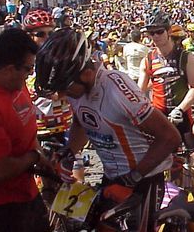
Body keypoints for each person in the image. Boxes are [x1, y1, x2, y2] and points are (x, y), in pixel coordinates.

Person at [35, 28, 181, 231]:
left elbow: (170, 138)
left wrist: (132, 178)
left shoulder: (116, 89)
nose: (59, 95)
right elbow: (81, 122)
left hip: (144, 178)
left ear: (86, 74)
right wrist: (68, 152)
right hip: (113, 176)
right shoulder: (77, 90)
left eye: (64, 88)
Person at [0, 28, 51, 232]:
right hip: (3, 209)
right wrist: (35, 157)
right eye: (28, 69)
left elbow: (26, 129)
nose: (30, 75)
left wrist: (41, 159)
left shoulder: (14, 84)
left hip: (28, 194)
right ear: (10, 69)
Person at [137, 12, 194, 167]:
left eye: (159, 31)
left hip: (182, 116)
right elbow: (138, 92)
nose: (155, 36)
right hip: (159, 118)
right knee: (156, 163)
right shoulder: (147, 60)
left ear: (168, 31)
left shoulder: (186, 57)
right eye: (151, 33)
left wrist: (180, 109)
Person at [23, 10, 73, 145]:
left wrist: (60, 93)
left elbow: (78, 87)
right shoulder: (21, 61)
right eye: (41, 34)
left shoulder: (64, 57)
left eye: (51, 33)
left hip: (64, 126)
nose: (47, 38)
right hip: (36, 130)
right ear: (29, 36)